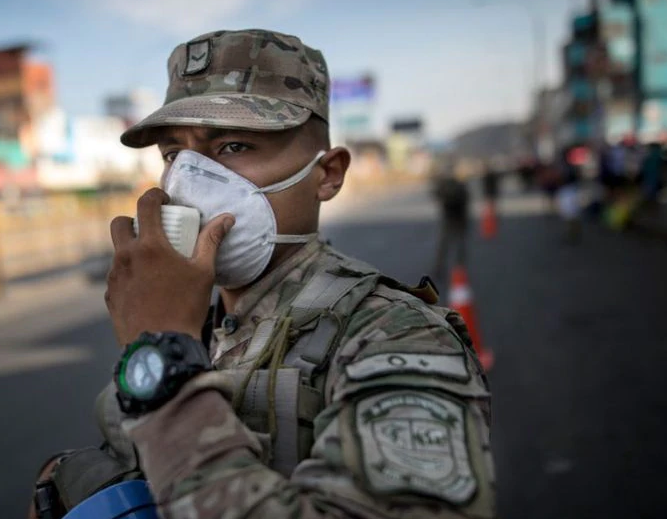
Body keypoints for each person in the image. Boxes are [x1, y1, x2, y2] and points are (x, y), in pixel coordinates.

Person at [30, 29, 495, 519]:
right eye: (173, 156)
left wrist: (164, 368)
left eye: (233, 146)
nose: (188, 181)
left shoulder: (397, 336)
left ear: (328, 173)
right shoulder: (196, 323)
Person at [432, 157, 471, 278]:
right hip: (458, 218)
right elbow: (466, 198)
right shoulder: (459, 184)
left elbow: (436, 195)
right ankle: (458, 268)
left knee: (445, 245)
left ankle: (441, 268)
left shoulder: (445, 184)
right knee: (457, 245)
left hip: (451, 218)